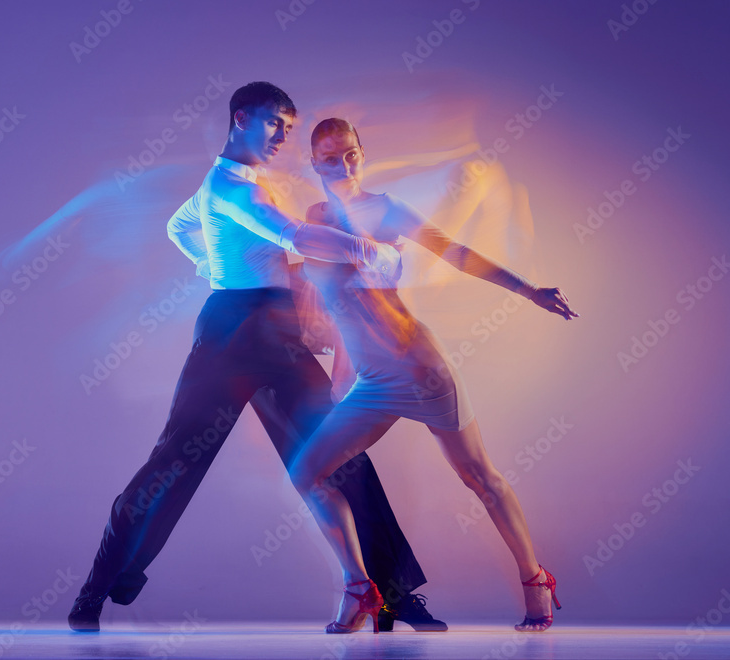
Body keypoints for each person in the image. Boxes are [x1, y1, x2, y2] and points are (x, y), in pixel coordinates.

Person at [69, 84, 446, 632]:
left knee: (341, 452)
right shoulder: (230, 186)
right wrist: (374, 253)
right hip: (230, 337)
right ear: (241, 118)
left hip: (276, 331)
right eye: (275, 124)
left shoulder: (240, 184)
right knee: (172, 462)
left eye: (288, 128)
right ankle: (96, 590)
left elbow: (178, 226)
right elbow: (293, 236)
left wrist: (209, 262)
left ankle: (392, 595)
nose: (282, 137)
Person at [287, 118, 578, 634]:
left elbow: (456, 253)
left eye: (351, 154)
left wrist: (528, 289)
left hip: (419, 368)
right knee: (307, 472)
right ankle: (360, 590)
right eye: (330, 158)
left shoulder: (385, 209)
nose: (343, 166)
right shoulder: (311, 218)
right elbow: (334, 307)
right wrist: (338, 375)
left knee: (479, 478)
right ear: (314, 164)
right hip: (371, 383)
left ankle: (536, 580)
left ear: (362, 152)